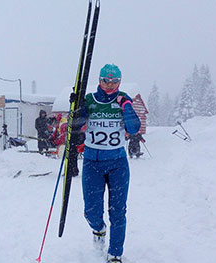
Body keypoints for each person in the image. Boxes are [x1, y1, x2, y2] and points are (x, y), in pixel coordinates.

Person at [78, 64, 141, 263]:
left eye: (114, 81)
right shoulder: (90, 100)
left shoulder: (123, 99)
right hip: (92, 163)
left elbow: (134, 127)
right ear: (99, 80)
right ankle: (98, 229)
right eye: (106, 80)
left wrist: (126, 106)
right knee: (91, 211)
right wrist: (77, 107)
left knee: (118, 210)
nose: (110, 85)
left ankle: (115, 253)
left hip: (117, 164)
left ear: (119, 82)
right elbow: (74, 126)